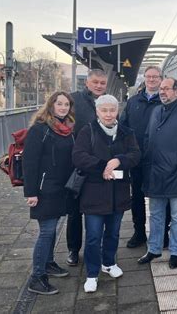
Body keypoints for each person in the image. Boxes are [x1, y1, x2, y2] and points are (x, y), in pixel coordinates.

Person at [72, 95, 141, 293]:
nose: (109, 114)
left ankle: (109, 262)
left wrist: (118, 160)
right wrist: (103, 167)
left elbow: (135, 155)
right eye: (104, 110)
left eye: (112, 110)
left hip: (117, 192)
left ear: (117, 111)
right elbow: (78, 156)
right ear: (97, 112)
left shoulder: (127, 132)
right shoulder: (88, 131)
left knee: (113, 232)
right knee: (93, 236)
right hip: (94, 192)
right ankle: (92, 273)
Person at [138, 78, 177, 269]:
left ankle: (175, 251)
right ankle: (154, 248)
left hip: (176, 173)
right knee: (155, 213)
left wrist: (176, 162)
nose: (162, 92)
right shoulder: (156, 110)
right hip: (155, 172)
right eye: (161, 89)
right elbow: (148, 137)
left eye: (166, 89)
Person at [23, 92, 76, 295]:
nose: (63, 108)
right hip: (44, 190)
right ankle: (36, 277)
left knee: (52, 229)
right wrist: (31, 192)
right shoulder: (40, 130)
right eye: (59, 104)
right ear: (51, 105)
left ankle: (48, 263)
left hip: (61, 188)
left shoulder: (67, 129)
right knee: (46, 231)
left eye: (66, 104)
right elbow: (30, 163)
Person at [119, 66, 166, 249]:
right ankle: (138, 232)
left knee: (161, 196)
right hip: (137, 158)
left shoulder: (165, 102)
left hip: (159, 159)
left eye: (155, 77)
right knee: (137, 196)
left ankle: (162, 233)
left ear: (161, 79)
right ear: (144, 78)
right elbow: (123, 126)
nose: (152, 80)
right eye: (149, 76)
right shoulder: (133, 102)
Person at [66, 69, 107, 266]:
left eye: (102, 83)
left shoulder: (108, 102)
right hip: (77, 165)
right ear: (87, 83)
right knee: (74, 212)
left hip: (99, 166)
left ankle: (95, 246)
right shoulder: (73, 100)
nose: (99, 86)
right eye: (96, 82)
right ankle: (73, 250)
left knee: (96, 210)